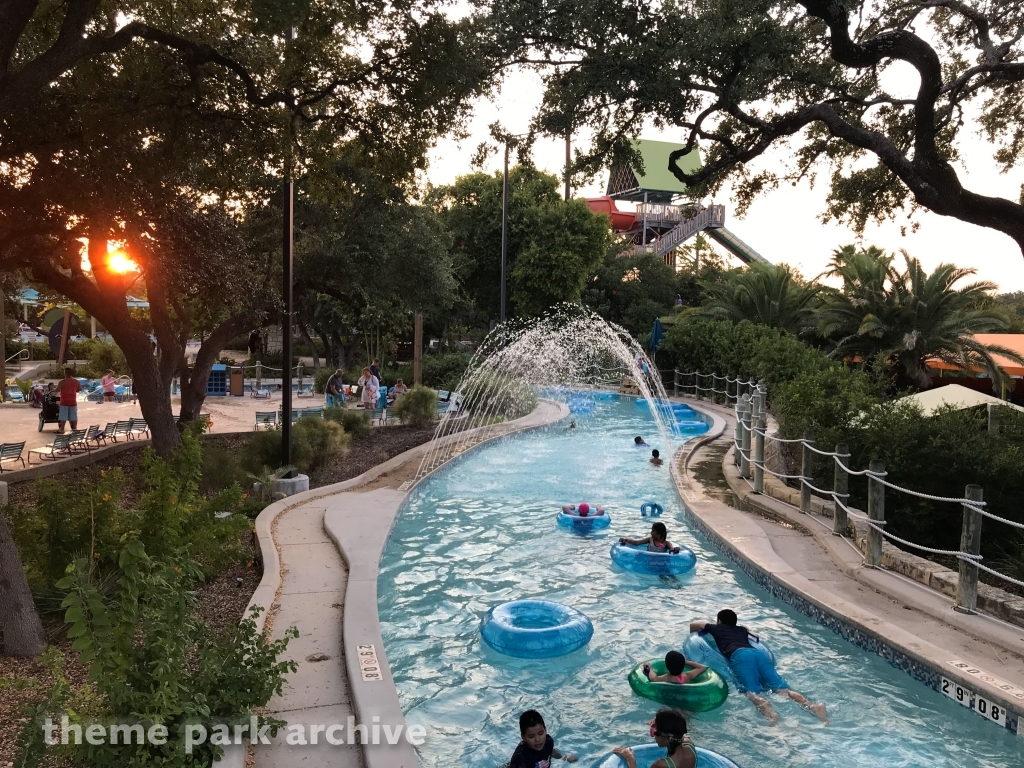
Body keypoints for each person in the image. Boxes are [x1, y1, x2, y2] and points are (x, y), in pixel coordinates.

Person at [689, 609, 828, 724]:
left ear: (719, 621)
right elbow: (748, 631)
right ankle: (813, 706)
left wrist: (709, 627)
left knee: (751, 692)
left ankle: (771, 714)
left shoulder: (716, 628)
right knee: (782, 689)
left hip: (740, 656)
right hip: (758, 654)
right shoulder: (742, 630)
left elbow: (694, 625)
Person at [612, 708, 696, 768]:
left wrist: (630, 759)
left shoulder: (661, 764)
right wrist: (659, 719)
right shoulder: (689, 744)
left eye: (655, 732)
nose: (653, 736)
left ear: (668, 738)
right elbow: (677, 727)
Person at [503, 710, 577, 767]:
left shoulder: (548, 741)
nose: (538, 740)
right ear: (523, 737)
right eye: (531, 736)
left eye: (541, 733)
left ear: (545, 730)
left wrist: (563, 757)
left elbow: (550, 751)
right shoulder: (521, 759)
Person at [56, 367, 80, 433]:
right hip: (73, 401)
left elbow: (57, 389)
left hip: (64, 401)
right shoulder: (76, 381)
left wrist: (54, 389)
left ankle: (62, 429)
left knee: (63, 416)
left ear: (65, 373)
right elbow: (79, 389)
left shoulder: (62, 382)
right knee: (74, 416)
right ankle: (75, 428)